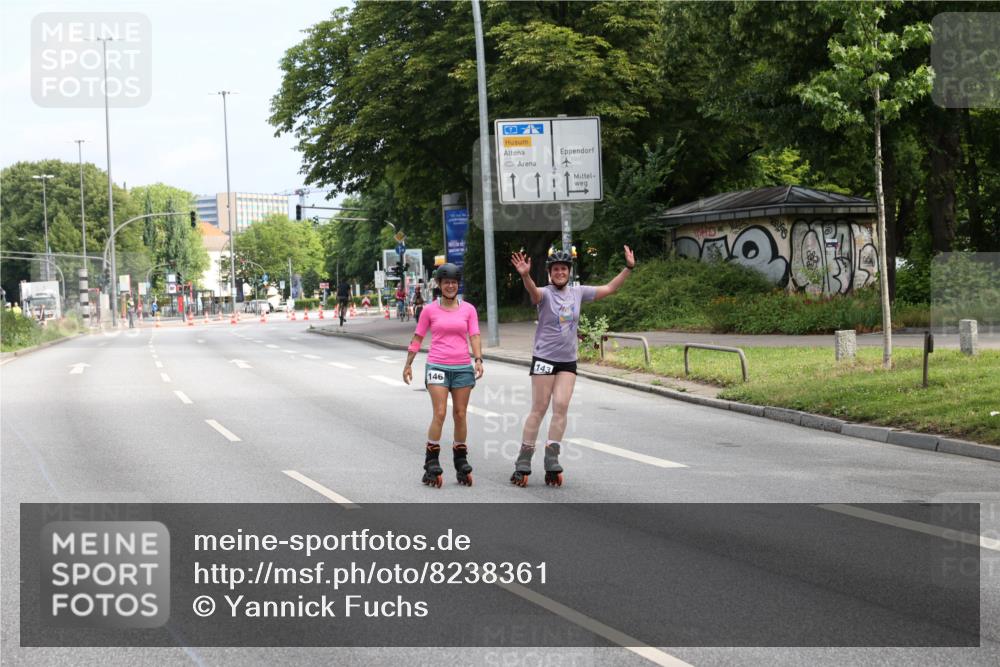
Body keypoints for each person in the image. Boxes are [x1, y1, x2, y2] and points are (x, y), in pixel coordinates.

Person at [509, 245, 636, 487]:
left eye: (563, 269)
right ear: (550, 272)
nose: (560, 272)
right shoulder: (545, 294)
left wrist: (628, 268)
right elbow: (533, 294)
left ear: (569, 271)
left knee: (562, 406)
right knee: (539, 407)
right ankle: (524, 458)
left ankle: (551, 456)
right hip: (544, 358)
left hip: (567, 360)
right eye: (555, 269)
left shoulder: (578, 292)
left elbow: (609, 288)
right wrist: (525, 275)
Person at [402, 263, 484, 488]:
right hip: (437, 366)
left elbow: (474, 335)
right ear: (439, 284)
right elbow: (418, 337)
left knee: (460, 414)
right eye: (446, 282)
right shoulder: (429, 310)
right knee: (440, 412)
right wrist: (408, 364)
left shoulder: (468, 309)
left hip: (462, 368)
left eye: (454, 282)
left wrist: (478, 359)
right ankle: (432, 461)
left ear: (458, 285)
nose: (450, 286)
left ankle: (460, 460)